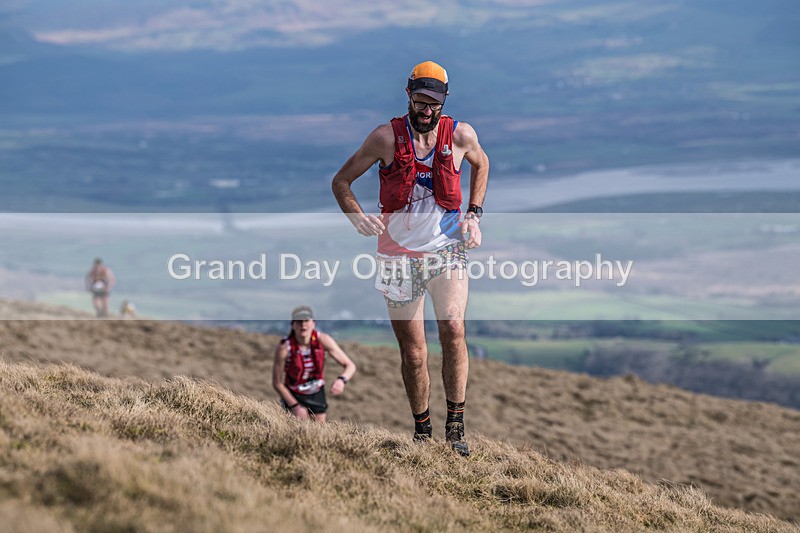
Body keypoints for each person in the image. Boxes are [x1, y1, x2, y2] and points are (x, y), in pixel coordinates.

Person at [331, 60, 489, 456]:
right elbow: (341, 181)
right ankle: (422, 430)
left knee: (453, 328)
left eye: (433, 103)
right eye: (420, 100)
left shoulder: (461, 135)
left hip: (447, 250)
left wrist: (474, 214)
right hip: (397, 258)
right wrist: (356, 216)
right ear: (408, 94)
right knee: (414, 353)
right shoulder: (385, 138)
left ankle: (456, 428)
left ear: (443, 101)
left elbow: (482, 164)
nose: (426, 109)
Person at [272, 305, 357, 423]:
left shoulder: (323, 340)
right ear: (293, 324)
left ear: (313, 323)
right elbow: (277, 383)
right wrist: (295, 406)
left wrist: (341, 380)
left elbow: (350, 365)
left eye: (306, 320)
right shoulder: (284, 347)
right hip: (293, 394)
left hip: (316, 392)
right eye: (299, 321)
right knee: (294, 430)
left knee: (318, 430)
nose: (303, 325)